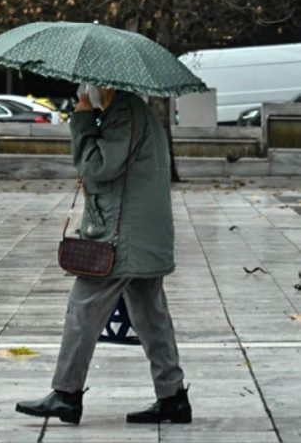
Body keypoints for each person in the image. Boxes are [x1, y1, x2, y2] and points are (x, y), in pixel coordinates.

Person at [14, 84, 190, 426]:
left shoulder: (124, 112)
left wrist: (81, 119)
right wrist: (94, 119)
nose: (85, 90)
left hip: (123, 236)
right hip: (141, 233)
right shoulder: (130, 111)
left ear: (106, 83)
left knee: (83, 307)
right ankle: (173, 397)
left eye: (90, 84)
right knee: (151, 318)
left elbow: (97, 169)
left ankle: (66, 394)